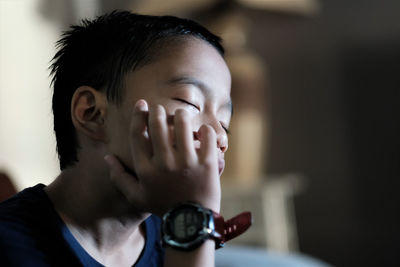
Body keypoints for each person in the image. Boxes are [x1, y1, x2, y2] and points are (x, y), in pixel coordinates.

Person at [0, 11, 250, 266]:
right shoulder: (10, 245)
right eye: (188, 102)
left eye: (224, 124)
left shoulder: (173, 239)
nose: (218, 136)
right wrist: (192, 218)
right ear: (93, 114)